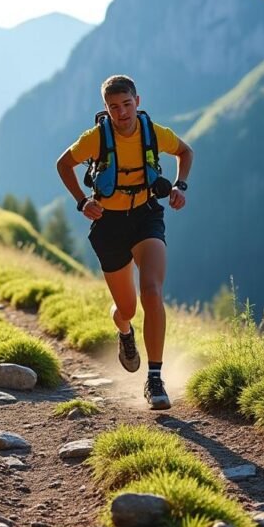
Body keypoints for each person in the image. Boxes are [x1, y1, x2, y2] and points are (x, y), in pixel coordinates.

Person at [54, 75, 194, 410]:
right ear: (106, 108)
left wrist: (180, 186)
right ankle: (124, 331)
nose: (122, 113)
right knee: (127, 309)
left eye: (127, 104)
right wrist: (82, 202)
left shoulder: (153, 132)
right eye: (114, 107)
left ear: (137, 101)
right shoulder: (95, 138)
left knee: (152, 292)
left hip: (146, 216)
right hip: (109, 225)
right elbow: (63, 164)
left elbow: (185, 151)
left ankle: (155, 378)